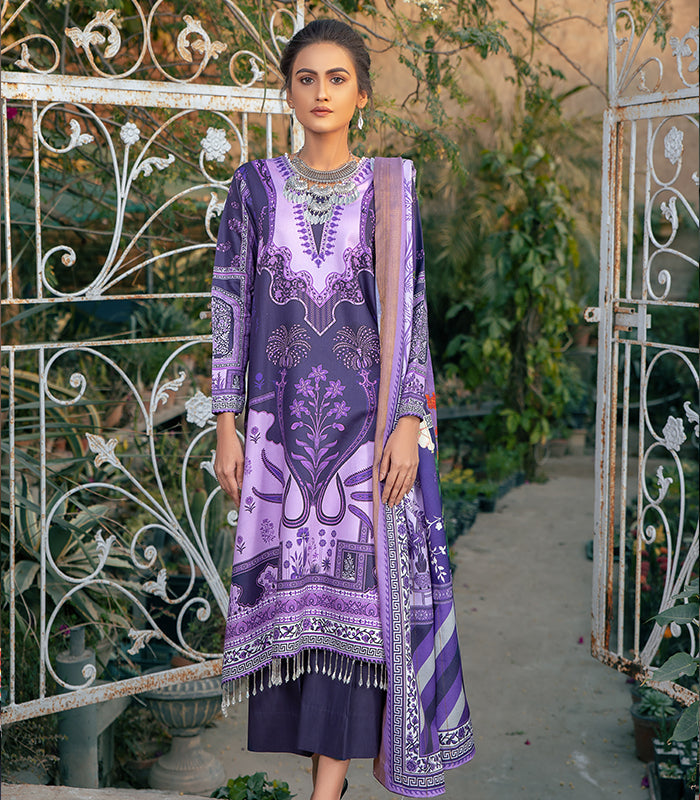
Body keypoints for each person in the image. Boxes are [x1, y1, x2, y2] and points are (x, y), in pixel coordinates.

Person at [211, 19, 474, 800]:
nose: (320, 93)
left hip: (368, 438)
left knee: (363, 620)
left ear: (361, 95)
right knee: (298, 622)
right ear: (287, 91)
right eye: (306, 78)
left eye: (336, 79)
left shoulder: (390, 188)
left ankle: (327, 792)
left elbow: (412, 309)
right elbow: (229, 305)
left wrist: (409, 423)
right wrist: (226, 426)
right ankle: (325, 784)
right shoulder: (254, 188)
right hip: (278, 437)